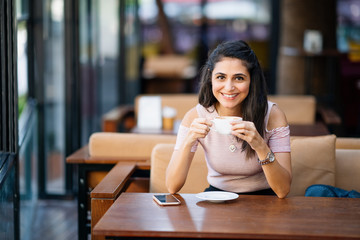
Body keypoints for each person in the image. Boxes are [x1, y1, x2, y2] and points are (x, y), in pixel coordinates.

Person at [166, 40, 292, 198]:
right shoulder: (195, 116)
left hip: (264, 200)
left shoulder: (272, 115)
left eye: (239, 78)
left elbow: (283, 190)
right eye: (221, 77)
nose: (229, 87)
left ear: (251, 80)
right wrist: (189, 141)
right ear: (211, 77)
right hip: (217, 198)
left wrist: (260, 146)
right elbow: (172, 187)